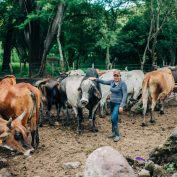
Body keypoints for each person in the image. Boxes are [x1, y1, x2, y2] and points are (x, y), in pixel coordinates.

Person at [89, 70, 127, 142]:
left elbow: (125, 95)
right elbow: (103, 82)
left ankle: (117, 135)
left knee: (113, 119)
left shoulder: (123, 84)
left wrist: (122, 106)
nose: (116, 77)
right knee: (113, 119)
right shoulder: (112, 82)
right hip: (111, 103)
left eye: (117, 76)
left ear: (120, 76)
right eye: (114, 76)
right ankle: (113, 132)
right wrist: (95, 79)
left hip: (118, 104)